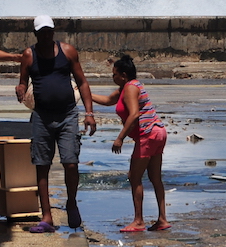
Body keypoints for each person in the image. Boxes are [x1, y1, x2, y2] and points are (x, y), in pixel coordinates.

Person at [15, 15, 96, 233]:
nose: (46, 35)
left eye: (49, 31)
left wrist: (89, 113)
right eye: (42, 32)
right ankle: (47, 216)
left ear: (53, 32)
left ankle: (71, 202)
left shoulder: (67, 51)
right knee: (42, 165)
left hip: (67, 114)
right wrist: (20, 89)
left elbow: (82, 82)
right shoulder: (29, 55)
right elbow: (23, 81)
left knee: (71, 162)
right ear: (35, 34)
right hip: (42, 116)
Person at [92, 54, 170, 233]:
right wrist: (84, 93)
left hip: (148, 134)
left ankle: (139, 221)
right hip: (158, 132)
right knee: (155, 177)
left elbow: (134, 115)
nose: (112, 78)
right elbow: (107, 101)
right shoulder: (129, 87)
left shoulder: (130, 89)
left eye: (114, 75)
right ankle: (162, 219)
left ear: (123, 75)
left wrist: (120, 138)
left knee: (134, 177)